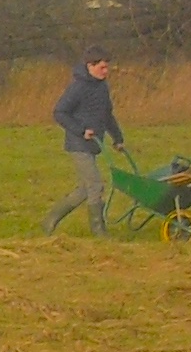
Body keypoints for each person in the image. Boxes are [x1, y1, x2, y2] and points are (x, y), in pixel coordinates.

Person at [40, 48, 128, 238]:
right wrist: (81, 130)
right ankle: (99, 231)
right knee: (95, 185)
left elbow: (107, 115)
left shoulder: (102, 87)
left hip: (95, 144)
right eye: (103, 67)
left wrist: (118, 138)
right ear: (90, 66)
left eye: (107, 67)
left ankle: (50, 219)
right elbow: (59, 112)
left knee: (84, 189)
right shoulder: (78, 87)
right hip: (78, 145)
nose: (106, 71)